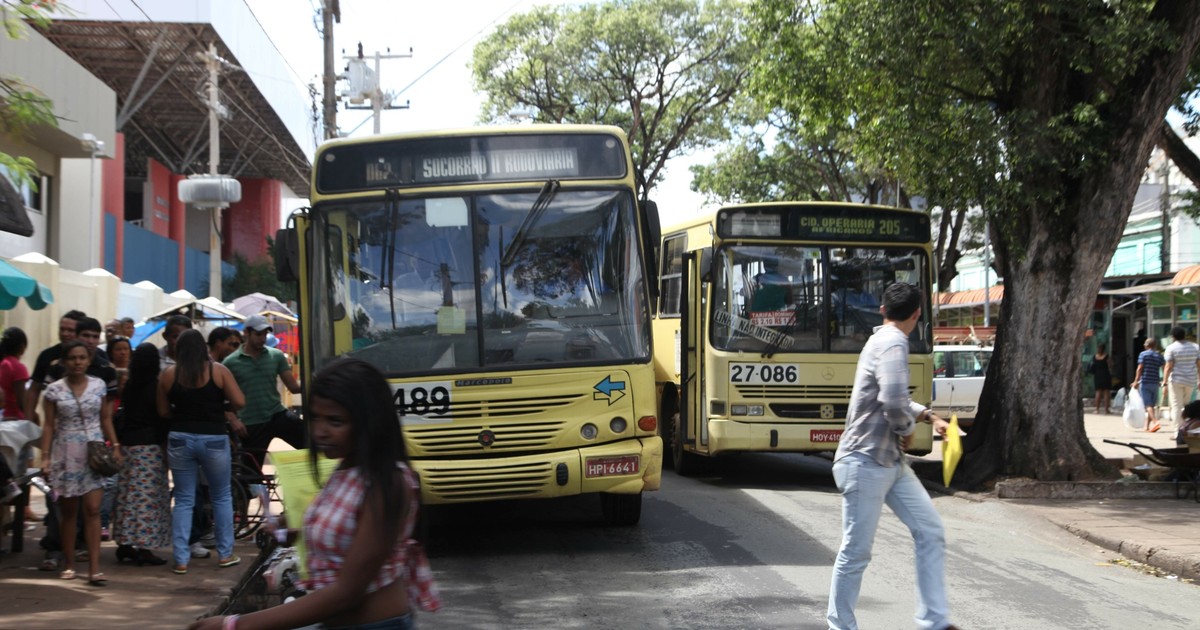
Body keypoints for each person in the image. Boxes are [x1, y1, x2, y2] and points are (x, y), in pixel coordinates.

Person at [188, 358, 440, 630]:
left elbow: (347, 592)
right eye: (315, 417)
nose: (320, 431)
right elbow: (348, 534)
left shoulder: (387, 483)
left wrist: (233, 625)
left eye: (335, 421)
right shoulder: (345, 469)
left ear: (370, 421)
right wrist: (295, 532)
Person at [827, 282, 955, 630]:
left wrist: (929, 416)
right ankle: (840, 627)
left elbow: (890, 393)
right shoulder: (894, 342)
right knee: (856, 552)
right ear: (917, 314)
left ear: (882, 309)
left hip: (889, 463)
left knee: (929, 530)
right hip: (864, 461)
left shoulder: (879, 339)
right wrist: (907, 430)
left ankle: (935, 620)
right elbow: (894, 401)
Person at [157, 329, 245, 574]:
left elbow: (163, 412)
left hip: (179, 438)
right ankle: (226, 554)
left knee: (184, 498)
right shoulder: (218, 371)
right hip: (214, 438)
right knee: (221, 496)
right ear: (203, 348)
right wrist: (220, 405)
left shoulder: (168, 374)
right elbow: (239, 402)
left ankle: (182, 559)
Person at [38, 340, 122, 585]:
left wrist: (115, 445)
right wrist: (45, 457)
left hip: (93, 453)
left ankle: (94, 568)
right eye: (72, 358)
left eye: (82, 358)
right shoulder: (54, 390)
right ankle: (69, 563)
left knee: (94, 509)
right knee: (69, 512)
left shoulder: (99, 385)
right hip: (65, 452)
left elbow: (106, 418)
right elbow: (49, 425)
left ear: (89, 360)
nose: (77, 362)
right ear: (64, 361)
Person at [223, 314, 304, 473]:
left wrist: (317, 382)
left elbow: (293, 387)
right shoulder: (230, 363)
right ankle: (246, 496)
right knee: (250, 475)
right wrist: (233, 420)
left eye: (265, 334)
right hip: (250, 424)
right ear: (247, 332)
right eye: (258, 334)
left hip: (276, 415)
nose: (263, 338)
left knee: (311, 442)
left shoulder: (276, 356)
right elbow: (221, 397)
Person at [112, 343, 170, 566]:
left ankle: (125, 544)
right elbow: (162, 416)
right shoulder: (156, 387)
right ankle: (145, 548)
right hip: (150, 447)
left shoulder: (129, 386)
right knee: (148, 499)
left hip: (128, 445)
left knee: (128, 496)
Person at [26, 309, 87, 425]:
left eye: (70, 330)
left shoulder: (92, 357)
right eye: (62, 329)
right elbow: (34, 389)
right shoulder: (47, 355)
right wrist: (28, 421)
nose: (64, 334)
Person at [1163, 326, 1200, 430]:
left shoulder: (1171, 348)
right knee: (1186, 405)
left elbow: (1168, 366)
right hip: (1190, 380)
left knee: (1176, 406)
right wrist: (1199, 380)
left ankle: (1178, 431)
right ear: (1185, 335)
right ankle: (1187, 428)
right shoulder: (1195, 347)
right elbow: (1199, 365)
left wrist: (1164, 383)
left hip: (1176, 380)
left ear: (1173, 336)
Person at [1131, 338, 1165, 432]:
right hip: (1155, 383)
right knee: (1151, 406)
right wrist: (1163, 380)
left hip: (1145, 382)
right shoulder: (1159, 355)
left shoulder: (1143, 354)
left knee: (1148, 405)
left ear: (1146, 345)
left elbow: (1139, 368)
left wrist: (1136, 381)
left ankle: (1155, 421)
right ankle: (1147, 426)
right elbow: (1163, 368)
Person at [1089, 343, 1113, 414]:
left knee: (1098, 392)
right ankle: (1106, 409)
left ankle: (1097, 409)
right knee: (1106, 392)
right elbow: (1110, 365)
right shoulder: (1106, 356)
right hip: (1105, 374)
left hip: (1097, 375)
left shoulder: (1095, 357)